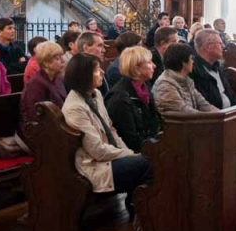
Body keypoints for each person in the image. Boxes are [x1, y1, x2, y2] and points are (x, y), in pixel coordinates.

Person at [61, 53, 152, 199]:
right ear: (84, 75)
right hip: (95, 166)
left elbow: (111, 129)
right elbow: (97, 150)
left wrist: (126, 151)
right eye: (97, 70)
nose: (102, 72)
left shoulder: (95, 94)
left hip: (109, 156)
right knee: (149, 162)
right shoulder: (75, 108)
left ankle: (141, 203)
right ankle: (142, 205)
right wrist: (128, 154)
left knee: (152, 159)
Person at [105, 47, 161, 153]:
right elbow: (130, 139)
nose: (154, 66)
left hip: (149, 144)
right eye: (149, 62)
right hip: (134, 152)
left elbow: (154, 121)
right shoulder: (120, 99)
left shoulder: (144, 87)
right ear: (136, 69)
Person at [153, 43, 217, 113]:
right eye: (191, 58)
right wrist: (212, 117)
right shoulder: (164, 84)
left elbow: (203, 104)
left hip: (194, 119)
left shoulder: (187, 80)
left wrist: (220, 114)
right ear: (183, 61)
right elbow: (183, 112)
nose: (193, 62)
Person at [19, 41, 67, 134]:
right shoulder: (36, 84)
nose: (63, 61)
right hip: (39, 132)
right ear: (46, 63)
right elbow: (34, 115)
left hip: (57, 125)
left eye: (62, 57)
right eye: (57, 58)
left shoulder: (56, 79)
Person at [190, 29, 236, 109]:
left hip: (231, 113)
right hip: (215, 115)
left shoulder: (217, 66)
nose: (223, 46)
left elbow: (231, 95)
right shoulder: (194, 71)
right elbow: (204, 105)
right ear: (208, 47)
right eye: (220, 43)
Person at [76, 31, 109, 96]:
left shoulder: (99, 69)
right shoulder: (80, 74)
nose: (104, 50)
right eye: (100, 46)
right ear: (86, 48)